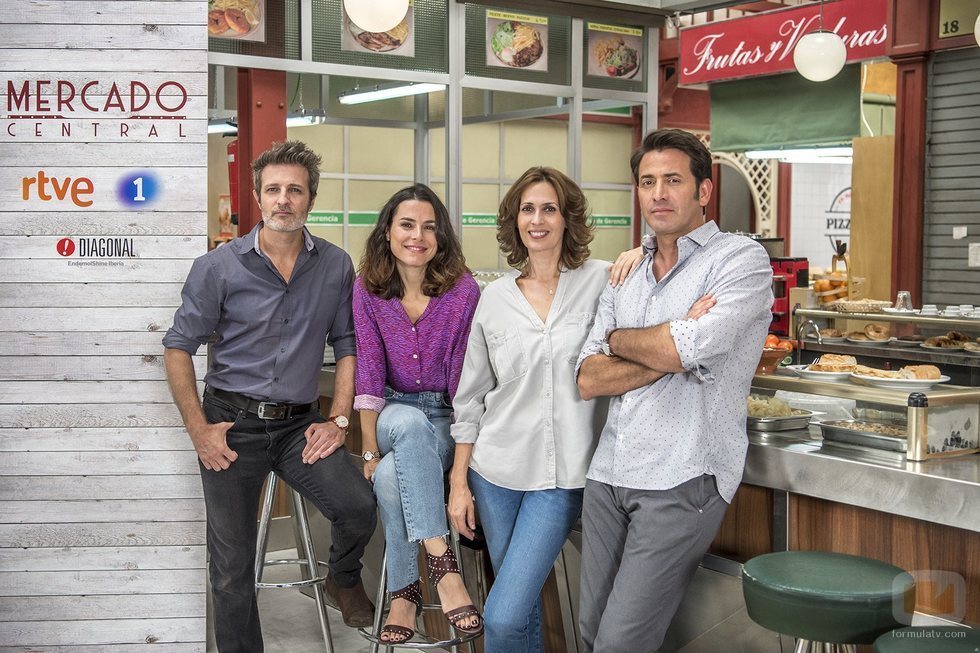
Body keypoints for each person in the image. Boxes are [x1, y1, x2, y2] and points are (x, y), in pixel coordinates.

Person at [162, 140, 377, 652]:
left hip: (299, 426)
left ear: (311, 198)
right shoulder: (218, 266)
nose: (284, 199)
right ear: (258, 197)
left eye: (295, 190)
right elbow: (177, 348)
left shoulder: (335, 265)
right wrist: (198, 430)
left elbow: (347, 345)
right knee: (232, 567)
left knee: (358, 503)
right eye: (274, 189)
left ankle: (342, 577)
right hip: (229, 425)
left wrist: (338, 419)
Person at [575, 128, 774, 653]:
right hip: (609, 473)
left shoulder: (739, 260)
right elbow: (590, 376)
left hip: (683, 474)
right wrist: (667, 340)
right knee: (592, 632)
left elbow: (684, 349)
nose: (658, 194)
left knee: (620, 644)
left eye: (673, 180)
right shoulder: (628, 270)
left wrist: (624, 342)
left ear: (703, 191)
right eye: (647, 182)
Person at [447, 167, 643, 653]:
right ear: (515, 222)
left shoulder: (603, 279)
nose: (537, 220)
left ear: (566, 218)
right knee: (524, 610)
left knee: (503, 614)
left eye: (548, 209)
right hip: (494, 472)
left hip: (564, 478)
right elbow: (471, 397)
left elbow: (657, 286)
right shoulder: (493, 298)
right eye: (527, 210)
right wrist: (458, 483)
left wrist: (648, 250)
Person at [353, 184, 483, 644]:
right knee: (405, 426)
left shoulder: (463, 290)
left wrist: (462, 464)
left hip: (446, 417)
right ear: (388, 231)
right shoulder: (368, 288)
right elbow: (368, 372)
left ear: (440, 236)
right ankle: (442, 563)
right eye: (407, 225)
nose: (417, 236)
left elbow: (467, 380)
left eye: (429, 227)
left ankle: (404, 591)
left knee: (391, 478)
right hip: (393, 412)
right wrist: (369, 449)